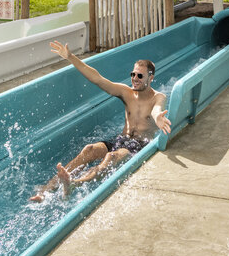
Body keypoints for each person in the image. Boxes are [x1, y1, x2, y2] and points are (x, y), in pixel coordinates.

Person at [29, 41, 171, 201]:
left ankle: (74, 184)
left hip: (139, 145)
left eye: (140, 76)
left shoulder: (158, 97)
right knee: (89, 149)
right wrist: (70, 57)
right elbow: (97, 79)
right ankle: (45, 190)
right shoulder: (126, 92)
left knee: (110, 158)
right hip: (121, 139)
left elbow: (157, 109)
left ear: (151, 78)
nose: (134, 79)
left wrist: (158, 118)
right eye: (133, 74)